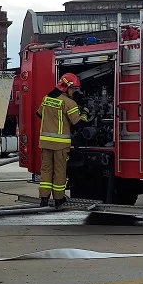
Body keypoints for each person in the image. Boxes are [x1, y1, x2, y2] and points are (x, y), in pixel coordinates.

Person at [36, 73, 88, 209]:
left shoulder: (46, 99)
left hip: (45, 143)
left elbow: (39, 114)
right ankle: (59, 199)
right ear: (66, 88)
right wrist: (85, 113)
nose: (74, 92)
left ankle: (44, 199)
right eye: (73, 89)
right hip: (60, 145)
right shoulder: (70, 103)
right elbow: (78, 124)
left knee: (46, 170)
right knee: (59, 171)